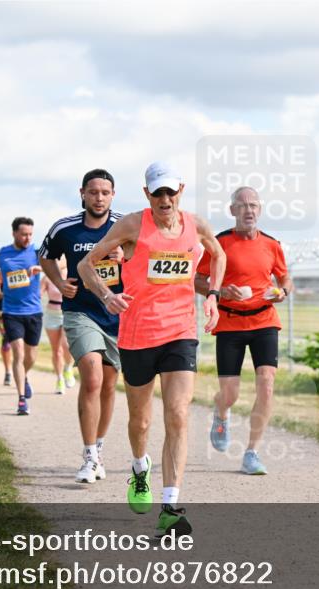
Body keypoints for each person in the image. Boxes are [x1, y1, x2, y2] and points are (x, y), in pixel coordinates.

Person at [78, 161, 225, 539]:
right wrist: (107, 295)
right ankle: (140, 470)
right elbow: (85, 264)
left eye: (170, 191)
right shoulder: (131, 225)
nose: (164, 199)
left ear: (181, 190)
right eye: (157, 192)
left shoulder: (196, 224)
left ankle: (171, 508)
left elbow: (218, 254)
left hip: (180, 332)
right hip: (137, 335)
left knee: (178, 414)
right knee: (140, 422)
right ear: (146, 194)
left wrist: (212, 297)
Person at [195, 186, 293, 475]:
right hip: (230, 322)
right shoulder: (219, 243)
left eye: (253, 205)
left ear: (259, 210)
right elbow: (197, 281)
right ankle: (221, 413)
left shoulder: (272, 244)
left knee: (267, 383)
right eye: (242, 205)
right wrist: (222, 291)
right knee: (231, 393)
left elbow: (285, 276)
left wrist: (283, 292)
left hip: (264, 321)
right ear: (232, 210)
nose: (248, 210)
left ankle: (252, 452)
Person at [40, 168, 123, 483]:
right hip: (80, 312)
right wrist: (59, 283)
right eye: (93, 192)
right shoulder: (65, 228)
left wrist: (124, 255)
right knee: (91, 376)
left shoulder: (125, 226)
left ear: (112, 195)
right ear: (82, 193)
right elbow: (45, 256)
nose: (99, 198)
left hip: (117, 316)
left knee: (109, 385)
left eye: (105, 192)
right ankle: (88, 456)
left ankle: (98, 449)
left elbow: (145, 253)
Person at [0, 217, 43, 415]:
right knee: (18, 352)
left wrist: (40, 268)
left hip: (34, 311)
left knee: (31, 356)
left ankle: (24, 376)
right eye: (24, 234)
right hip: (11, 311)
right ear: (14, 233)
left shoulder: (37, 252)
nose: (28, 238)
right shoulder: (2, 254)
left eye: (30, 234)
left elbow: (60, 264)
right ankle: (21, 400)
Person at [41, 267, 76, 394]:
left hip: (68, 313)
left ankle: (68, 367)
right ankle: (59, 379)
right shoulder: (48, 277)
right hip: (52, 314)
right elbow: (37, 295)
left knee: (66, 345)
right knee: (56, 351)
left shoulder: (72, 273)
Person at [0, 272, 13, 386]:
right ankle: (8, 372)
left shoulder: (29, 267)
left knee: (24, 343)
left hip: (24, 309)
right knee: (6, 342)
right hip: (3, 310)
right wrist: (8, 294)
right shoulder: (2, 272)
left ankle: (23, 372)